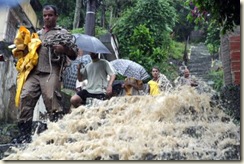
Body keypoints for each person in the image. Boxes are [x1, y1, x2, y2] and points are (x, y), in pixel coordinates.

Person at [13, 5, 78, 144]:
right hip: (33, 73)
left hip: (51, 72)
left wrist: (64, 49)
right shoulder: (37, 34)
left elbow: (74, 54)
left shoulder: (63, 33)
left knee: (52, 100)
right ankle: (24, 136)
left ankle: (56, 136)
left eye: (50, 15)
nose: (47, 18)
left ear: (56, 16)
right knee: (25, 97)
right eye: (45, 15)